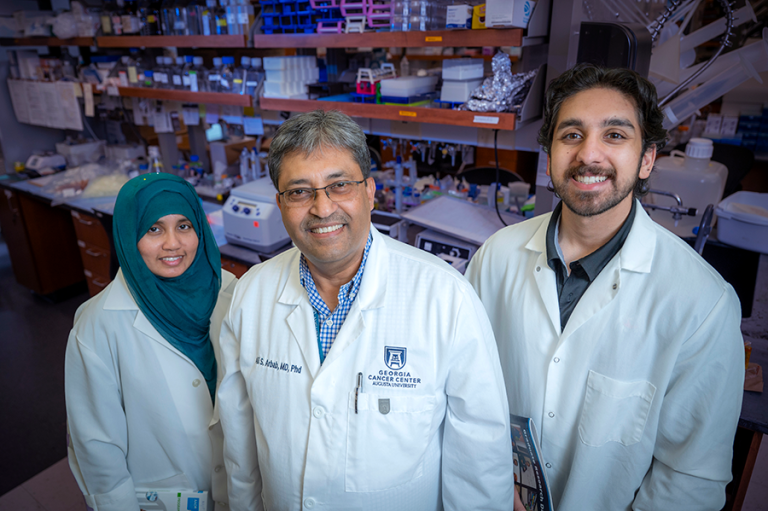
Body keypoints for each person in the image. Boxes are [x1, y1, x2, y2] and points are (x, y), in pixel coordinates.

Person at [466, 63, 745, 510]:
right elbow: (462, 399)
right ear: (551, 151)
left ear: (647, 158)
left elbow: (689, 480)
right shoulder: (495, 258)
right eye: (571, 135)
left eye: (614, 135)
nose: (589, 155)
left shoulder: (701, 303)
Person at [217, 110, 521, 511]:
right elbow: (239, 445)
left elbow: (480, 462)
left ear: (370, 191)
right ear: (280, 202)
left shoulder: (445, 297)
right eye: (299, 191)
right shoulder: (251, 293)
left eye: (339, 185)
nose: (322, 209)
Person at [65, 173, 237, 511]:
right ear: (130, 235)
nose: (173, 243)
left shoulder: (230, 291)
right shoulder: (98, 324)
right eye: (154, 229)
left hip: (238, 485)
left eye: (184, 226)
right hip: (162, 495)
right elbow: (95, 443)